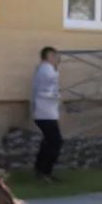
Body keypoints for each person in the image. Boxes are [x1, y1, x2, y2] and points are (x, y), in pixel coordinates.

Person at [31, 46, 62, 181]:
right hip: (45, 112)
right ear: (49, 56)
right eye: (55, 56)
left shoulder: (46, 69)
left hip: (45, 112)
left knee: (49, 141)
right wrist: (56, 96)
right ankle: (45, 171)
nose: (57, 59)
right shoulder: (46, 71)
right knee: (56, 141)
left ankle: (41, 169)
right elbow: (44, 91)